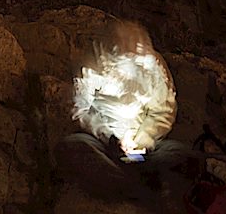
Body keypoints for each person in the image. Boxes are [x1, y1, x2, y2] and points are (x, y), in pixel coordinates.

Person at [55, 23, 197, 206]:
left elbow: (163, 110)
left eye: (138, 51)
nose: (133, 56)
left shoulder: (153, 66)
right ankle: (136, 187)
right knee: (72, 147)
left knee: (182, 155)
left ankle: (135, 182)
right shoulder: (93, 64)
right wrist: (108, 135)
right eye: (127, 51)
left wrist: (142, 139)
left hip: (144, 144)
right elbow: (79, 108)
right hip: (103, 143)